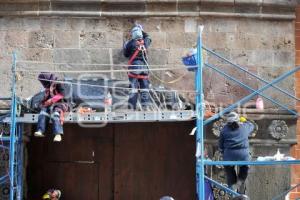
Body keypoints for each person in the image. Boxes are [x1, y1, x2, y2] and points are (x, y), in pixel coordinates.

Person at [218, 112, 255, 194]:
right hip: (243, 155)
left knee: (229, 169)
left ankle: (232, 187)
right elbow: (252, 125)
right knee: (244, 168)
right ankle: (240, 181)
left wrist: (221, 152)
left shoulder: (224, 130)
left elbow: (220, 144)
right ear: (238, 120)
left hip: (229, 155)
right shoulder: (244, 127)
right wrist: (244, 120)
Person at [34, 72, 69, 142]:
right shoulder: (48, 88)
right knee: (43, 112)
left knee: (55, 113)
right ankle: (40, 130)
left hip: (60, 104)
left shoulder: (59, 83)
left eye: (43, 81)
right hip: (51, 105)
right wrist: (44, 103)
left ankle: (58, 134)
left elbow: (63, 94)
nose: (43, 83)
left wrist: (51, 100)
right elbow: (46, 99)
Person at [124, 24, 152, 110]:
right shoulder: (145, 42)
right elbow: (149, 37)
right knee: (144, 87)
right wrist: (142, 31)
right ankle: (145, 105)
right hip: (144, 67)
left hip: (135, 67)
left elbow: (125, 54)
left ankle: (132, 106)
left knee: (133, 87)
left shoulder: (131, 43)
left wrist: (125, 44)